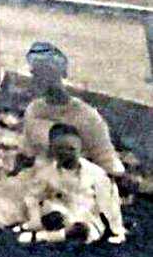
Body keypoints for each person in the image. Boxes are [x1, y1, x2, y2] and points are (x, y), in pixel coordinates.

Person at [21, 42, 123, 176]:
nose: (42, 79)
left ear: (62, 73)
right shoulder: (33, 110)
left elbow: (109, 164)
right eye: (37, 73)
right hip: (41, 183)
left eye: (48, 73)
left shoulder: (87, 116)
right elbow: (27, 155)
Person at [15, 124, 126, 245]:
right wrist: (35, 218)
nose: (66, 153)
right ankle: (57, 234)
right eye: (60, 149)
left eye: (71, 149)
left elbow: (109, 204)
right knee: (52, 215)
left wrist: (117, 230)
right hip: (62, 212)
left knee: (81, 229)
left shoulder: (96, 174)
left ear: (80, 149)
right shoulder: (47, 172)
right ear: (52, 150)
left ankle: (41, 237)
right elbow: (33, 197)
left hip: (87, 216)